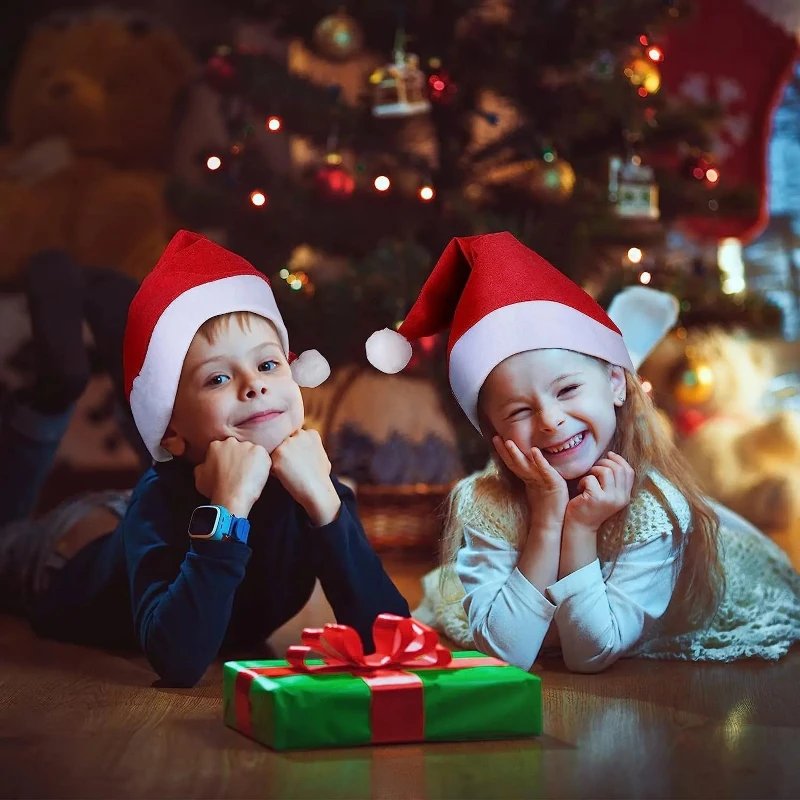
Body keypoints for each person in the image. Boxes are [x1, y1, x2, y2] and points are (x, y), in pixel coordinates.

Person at [366, 232, 800, 673]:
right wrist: (548, 518)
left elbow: (589, 653)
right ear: (492, 431)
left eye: (568, 389)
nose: (551, 420)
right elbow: (507, 653)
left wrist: (581, 528)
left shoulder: (653, 511)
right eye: (519, 410)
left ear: (614, 383)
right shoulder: (487, 502)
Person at [18, 230, 409, 687]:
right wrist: (227, 510)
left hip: (156, 491)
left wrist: (326, 503)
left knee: (191, 439)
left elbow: (390, 640)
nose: (255, 385)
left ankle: (121, 333)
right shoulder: (158, 503)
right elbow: (179, 663)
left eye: (267, 365)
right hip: (62, 553)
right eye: (219, 378)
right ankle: (53, 394)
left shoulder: (314, 484)